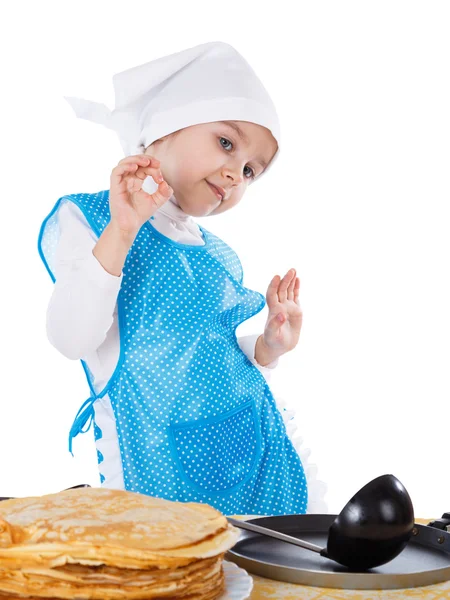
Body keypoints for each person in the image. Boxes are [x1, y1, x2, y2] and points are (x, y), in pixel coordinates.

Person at [38, 41, 327, 515]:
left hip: (259, 447)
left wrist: (267, 346)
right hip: (160, 464)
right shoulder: (91, 220)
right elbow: (71, 337)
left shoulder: (218, 254)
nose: (237, 173)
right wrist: (123, 228)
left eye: (251, 170)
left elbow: (207, 346)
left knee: (288, 572)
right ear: (167, 124)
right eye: (227, 143)